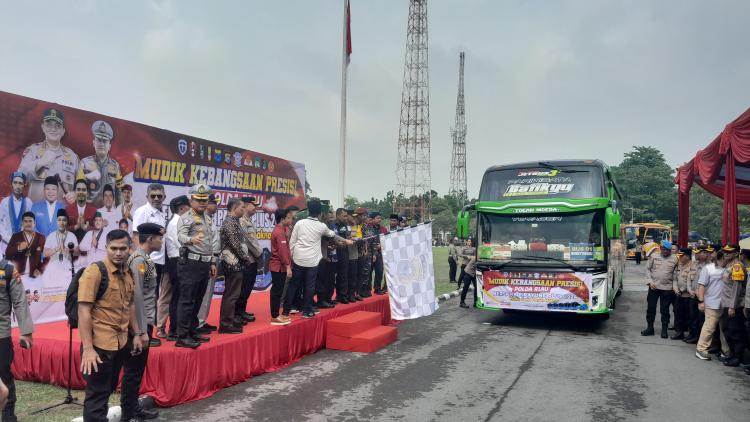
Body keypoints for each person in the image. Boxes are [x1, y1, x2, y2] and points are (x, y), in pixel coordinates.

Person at [78, 229, 144, 422]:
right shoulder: (95, 272)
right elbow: (83, 311)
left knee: (107, 389)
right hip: (99, 346)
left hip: (120, 342)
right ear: (106, 247)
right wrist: (88, 349)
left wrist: (137, 333)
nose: (118, 253)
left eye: (123, 248)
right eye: (113, 248)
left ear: (129, 248)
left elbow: (130, 304)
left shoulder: (128, 271)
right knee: (97, 396)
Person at [120, 223, 163, 421]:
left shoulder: (145, 259)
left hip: (145, 320)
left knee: (137, 370)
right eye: (159, 238)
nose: (161, 241)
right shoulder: (138, 261)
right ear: (150, 239)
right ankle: (129, 413)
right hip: (139, 322)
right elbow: (135, 296)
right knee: (133, 370)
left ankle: (133, 409)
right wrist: (141, 331)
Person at [283, 200, 352, 319]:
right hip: (312, 261)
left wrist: (294, 255)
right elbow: (333, 235)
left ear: (308, 210)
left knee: (294, 284)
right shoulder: (321, 226)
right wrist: (346, 240)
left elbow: (292, 241)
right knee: (309, 285)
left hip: (298, 258)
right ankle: (307, 310)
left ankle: (285, 311)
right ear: (320, 212)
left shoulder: (300, 223)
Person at [175, 184, 217, 349]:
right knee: (187, 300)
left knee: (198, 299)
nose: (202, 203)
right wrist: (190, 240)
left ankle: (192, 330)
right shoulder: (186, 217)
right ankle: (182, 336)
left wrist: (212, 261)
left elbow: (210, 243)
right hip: (190, 263)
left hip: (204, 263)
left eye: (204, 200)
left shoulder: (207, 218)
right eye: (198, 200)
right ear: (191, 200)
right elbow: (180, 235)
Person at [17, 107, 79, 204]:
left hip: (62, 216)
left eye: (58, 126)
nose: (53, 129)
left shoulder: (72, 156)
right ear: (43, 127)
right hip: (36, 213)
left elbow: (82, 185)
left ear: (63, 131)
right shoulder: (33, 151)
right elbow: (19, 177)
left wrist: (75, 194)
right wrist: (39, 163)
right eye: (49, 125)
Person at [0, 257, 34, 421]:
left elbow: (20, 301)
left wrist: (26, 331)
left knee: (3, 375)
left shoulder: (7, 271)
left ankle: (8, 414)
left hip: (1, 335)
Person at [217, 197, 252, 333]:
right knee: (231, 295)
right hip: (232, 263)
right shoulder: (230, 222)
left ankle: (229, 321)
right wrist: (245, 258)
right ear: (234, 208)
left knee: (233, 294)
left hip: (236, 263)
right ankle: (225, 324)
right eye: (242, 207)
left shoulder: (235, 221)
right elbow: (235, 244)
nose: (244, 209)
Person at [158, 195, 189, 340]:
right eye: (188, 207)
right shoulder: (176, 223)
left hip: (178, 261)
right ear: (182, 208)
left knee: (179, 297)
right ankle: (173, 330)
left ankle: (176, 328)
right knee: (175, 298)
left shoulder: (178, 221)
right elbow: (181, 244)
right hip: (176, 261)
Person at [77, 120, 123, 208]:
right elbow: (78, 190)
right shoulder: (84, 163)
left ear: (109, 146)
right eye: (99, 140)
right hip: (89, 212)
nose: (101, 144)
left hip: (109, 213)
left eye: (105, 141)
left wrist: (118, 212)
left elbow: (119, 192)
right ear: (93, 143)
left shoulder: (115, 166)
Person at [132, 183, 167, 298]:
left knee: (153, 296)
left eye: (159, 196)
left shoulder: (161, 214)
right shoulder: (142, 211)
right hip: (147, 261)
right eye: (153, 196)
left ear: (164, 197)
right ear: (147, 197)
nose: (156, 198)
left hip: (158, 261)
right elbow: (136, 236)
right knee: (145, 296)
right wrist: (143, 259)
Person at [695, 250, 730, 360]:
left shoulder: (728, 269)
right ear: (721, 258)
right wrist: (701, 301)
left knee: (724, 329)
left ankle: (726, 351)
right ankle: (701, 349)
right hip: (711, 303)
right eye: (725, 257)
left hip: (724, 304)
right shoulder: (708, 268)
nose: (727, 259)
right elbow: (701, 285)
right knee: (709, 328)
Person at [718, 245, 747, 367]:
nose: (726, 254)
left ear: (736, 253)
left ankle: (737, 357)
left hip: (734, 305)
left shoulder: (737, 266)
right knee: (727, 330)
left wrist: (732, 306)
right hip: (726, 303)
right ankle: (732, 354)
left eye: (729, 252)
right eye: (725, 251)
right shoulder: (728, 265)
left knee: (735, 331)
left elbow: (737, 288)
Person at [641, 240, 678, 338]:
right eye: (664, 249)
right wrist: (649, 281)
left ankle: (664, 330)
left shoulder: (675, 259)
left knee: (665, 310)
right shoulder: (654, 256)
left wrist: (675, 287)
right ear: (661, 248)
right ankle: (650, 328)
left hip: (667, 288)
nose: (665, 251)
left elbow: (676, 274)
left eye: (668, 250)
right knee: (651, 308)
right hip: (654, 286)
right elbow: (647, 269)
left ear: (670, 250)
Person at [196, 193, 221, 333]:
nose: (215, 206)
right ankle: (197, 322)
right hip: (206, 260)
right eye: (213, 203)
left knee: (208, 292)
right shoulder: (200, 220)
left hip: (213, 259)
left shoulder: (209, 219)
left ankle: (202, 320)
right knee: (203, 292)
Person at [236, 197, 262, 325]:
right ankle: (237, 313)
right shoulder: (241, 221)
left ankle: (242, 311)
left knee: (248, 287)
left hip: (252, 259)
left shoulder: (248, 220)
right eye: (253, 205)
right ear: (246, 206)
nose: (255, 208)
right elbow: (247, 241)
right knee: (243, 288)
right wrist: (259, 253)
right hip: (246, 259)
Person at [4, 211, 46, 284]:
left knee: (34, 295)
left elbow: (48, 256)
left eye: (30, 221)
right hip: (18, 276)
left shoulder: (41, 237)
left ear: (34, 223)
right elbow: (8, 254)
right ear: (22, 223)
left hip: (34, 276)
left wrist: (40, 269)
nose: (28, 224)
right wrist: (19, 248)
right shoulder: (16, 236)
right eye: (25, 221)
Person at [0, 172, 33, 258]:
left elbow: (31, 223)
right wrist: (7, 238)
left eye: (20, 183)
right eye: (15, 183)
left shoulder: (28, 202)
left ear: (24, 185)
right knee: (5, 270)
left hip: (22, 244)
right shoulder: (5, 202)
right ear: (11, 184)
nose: (18, 186)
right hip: (6, 243)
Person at [42, 209, 79, 286]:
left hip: (67, 271)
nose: (61, 223)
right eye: (59, 220)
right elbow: (45, 254)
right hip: (53, 271)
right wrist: (56, 249)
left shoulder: (72, 235)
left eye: (64, 220)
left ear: (67, 222)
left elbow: (77, 252)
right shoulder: (51, 236)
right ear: (56, 222)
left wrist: (66, 250)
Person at [685, 245, 711, 344]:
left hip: (702, 296)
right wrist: (689, 289)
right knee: (692, 316)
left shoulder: (710, 266)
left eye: (698, 253)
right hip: (692, 294)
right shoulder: (694, 264)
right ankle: (692, 334)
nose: (696, 254)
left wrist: (698, 292)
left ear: (704, 253)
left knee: (700, 319)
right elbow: (688, 277)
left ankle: (698, 337)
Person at [671, 248, 697, 340]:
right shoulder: (679, 265)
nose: (680, 257)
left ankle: (691, 334)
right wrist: (675, 288)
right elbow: (674, 278)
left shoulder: (693, 266)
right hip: (679, 295)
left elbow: (691, 281)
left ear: (688, 256)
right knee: (679, 314)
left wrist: (682, 289)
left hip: (688, 295)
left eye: (682, 255)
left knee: (690, 315)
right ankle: (679, 332)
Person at [333, 208, 351, 304]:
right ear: (338, 215)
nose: (346, 217)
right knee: (332, 276)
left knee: (343, 274)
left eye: (346, 215)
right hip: (333, 252)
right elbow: (332, 237)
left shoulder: (346, 225)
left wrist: (349, 240)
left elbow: (348, 237)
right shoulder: (332, 225)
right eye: (344, 216)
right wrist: (340, 243)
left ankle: (342, 295)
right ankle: (332, 296)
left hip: (344, 252)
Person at [369, 212, 388, 295]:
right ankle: (367, 289)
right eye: (377, 218)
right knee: (368, 272)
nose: (379, 220)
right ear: (372, 219)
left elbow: (387, 239)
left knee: (380, 271)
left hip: (380, 253)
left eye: (380, 218)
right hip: (370, 253)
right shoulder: (368, 228)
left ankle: (377, 288)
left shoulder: (383, 229)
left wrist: (381, 245)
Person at [460, 240, 478, 308]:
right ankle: (462, 302)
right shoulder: (476, 258)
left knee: (476, 287)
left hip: (473, 273)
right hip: (468, 272)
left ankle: (476, 302)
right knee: (466, 287)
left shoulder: (476, 255)